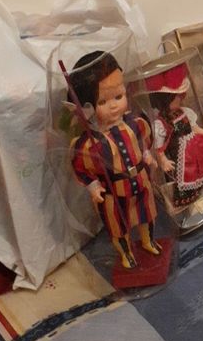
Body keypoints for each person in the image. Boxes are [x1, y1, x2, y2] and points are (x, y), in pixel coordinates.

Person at [68, 51, 161, 270]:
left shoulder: (135, 124)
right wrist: (93, 186)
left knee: (147, 213)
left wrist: (147, 155)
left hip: (141, 182)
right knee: (118, 225)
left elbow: (143, 143)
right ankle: (126, 253)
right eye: (102, 101)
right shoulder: (90, 142)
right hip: (114, 191)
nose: (113, 106)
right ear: (87, 108)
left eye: (118, 97)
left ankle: (148, 241)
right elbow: (81, 166)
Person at [145, 62, 203, 208]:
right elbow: (159, 146)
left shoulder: (184, 111)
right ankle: (195, 197)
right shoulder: (161, 122)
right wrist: (163, 160)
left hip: (198, 146)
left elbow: (194, 127)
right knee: (189, 174)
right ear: (165, 100)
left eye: (180, 96)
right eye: (176, 97)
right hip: (183, 154)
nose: (181, 98)